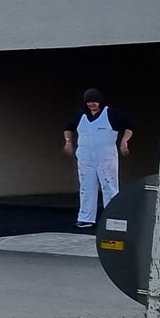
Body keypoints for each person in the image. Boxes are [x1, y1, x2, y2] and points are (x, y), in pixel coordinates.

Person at [63, 88, 132, 231]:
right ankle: (85, 218)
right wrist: (68, 142)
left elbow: (129, 126)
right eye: (89, 102)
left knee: (109, 186)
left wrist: (124, 141)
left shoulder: (110, 114)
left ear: (100, 101)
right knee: (86, 187)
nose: (91, 104)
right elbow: (68, 128)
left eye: (94, 101)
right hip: (85, 156)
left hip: (106, 155)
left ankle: (112, 217)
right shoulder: (80, 115)